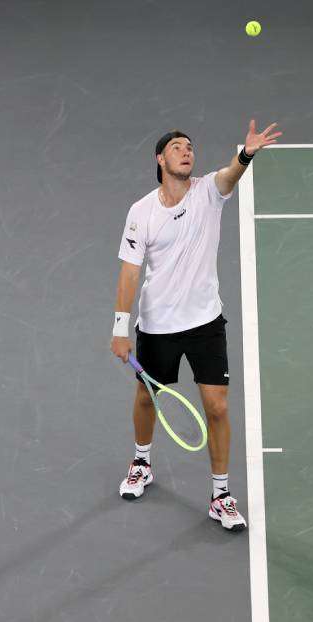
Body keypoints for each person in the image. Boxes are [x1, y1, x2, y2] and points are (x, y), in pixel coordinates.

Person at [110, 120, 281, 530]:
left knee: (218, 406)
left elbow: (229, 175)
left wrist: (245, 155)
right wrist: (120, 327)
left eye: (190, 147)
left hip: (205, 322)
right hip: (157, 325)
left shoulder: (209, 192)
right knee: (147, 398)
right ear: (160, 159)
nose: (187, 151)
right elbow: (130, 272)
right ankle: (142, 461)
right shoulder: (141, 212)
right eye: (177, 147)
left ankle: (221, 494)